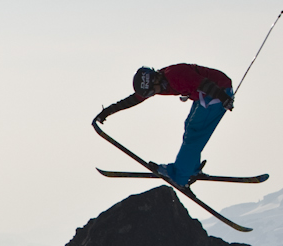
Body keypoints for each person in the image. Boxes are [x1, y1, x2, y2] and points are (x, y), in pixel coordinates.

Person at [95, 64, 234, 187]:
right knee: (189, 128)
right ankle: (190, 168)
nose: (153, 94)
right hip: (206, 94)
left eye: (151, 91)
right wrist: (107, 111)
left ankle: (179, 176)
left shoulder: (175, 75)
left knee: (194, 133)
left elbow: (204, 83)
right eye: (149, 94)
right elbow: (133, 100)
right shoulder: (157, 83)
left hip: (217, 92)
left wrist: (224, 99)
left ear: (155, 79)